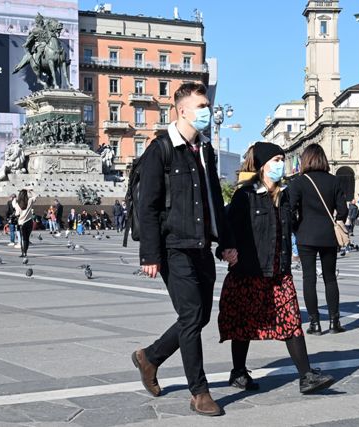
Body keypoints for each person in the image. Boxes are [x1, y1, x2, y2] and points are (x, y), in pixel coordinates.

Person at [133, 82, 236, 417]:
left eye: (208, 106)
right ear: (182, 111)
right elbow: (146, 205)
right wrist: (150, 253)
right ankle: (200, 392)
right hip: (173, 246)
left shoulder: (204, 150)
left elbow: (213, 201)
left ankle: (150, 357)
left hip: (201, 245)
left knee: (201, 316)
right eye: (202, 106)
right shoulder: (161, 149)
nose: (208, 111)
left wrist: (226, 242)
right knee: (191, 316)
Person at [218, 141, 335, 394]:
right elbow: (225, 227)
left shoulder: (284, 196)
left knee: (291, 321)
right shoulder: (244, 196)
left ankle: (306, 376)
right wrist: (226, 249)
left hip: (279, 274)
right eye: (277, 160)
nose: (282, 165)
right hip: (249, 273)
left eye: (283, 160)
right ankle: (239, 372)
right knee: (243, 325)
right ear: (262, 166)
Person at [289, 143, 348, 335]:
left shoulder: (298, 182)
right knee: (330, 278)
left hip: (305, 235)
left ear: (305, 160)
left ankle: (314, 323)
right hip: (329, 235)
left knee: (309, 278)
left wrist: (296, 227)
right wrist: (337, 222)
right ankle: (334, 322)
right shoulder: (334, 181)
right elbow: (343, 210)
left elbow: (289, 210)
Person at [13, 189, 37, 258]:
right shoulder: (29, 201)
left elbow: (17, 213)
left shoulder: (18, 204)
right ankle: (25, 252)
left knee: (22, 238)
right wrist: (31, 191)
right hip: (29, 222)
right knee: (27, 238)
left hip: (21, 223)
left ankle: (23, 253)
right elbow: (35, 197)